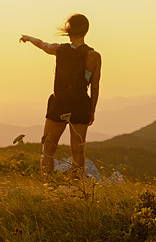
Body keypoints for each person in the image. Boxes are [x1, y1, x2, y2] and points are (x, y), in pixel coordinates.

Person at [20, 14, 101, 175]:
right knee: (78, 151)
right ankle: (77, 187)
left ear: (69, 30)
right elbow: (95, 86)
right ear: (86, 30)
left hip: (59, 104)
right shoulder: (93, 56)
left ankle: (47, 184)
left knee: (48, 149)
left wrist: (28, 38)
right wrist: (91, 111)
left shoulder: (59, 49)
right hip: (81, 105)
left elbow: (43, 44)